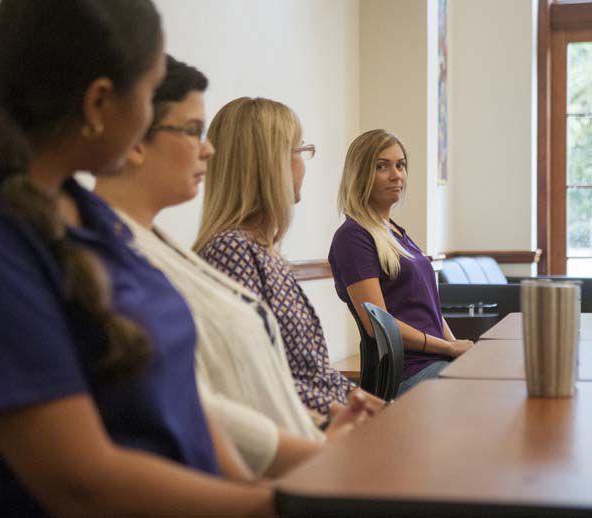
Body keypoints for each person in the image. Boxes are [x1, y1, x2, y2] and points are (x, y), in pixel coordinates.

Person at [0, 2, 274, 516]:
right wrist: (272, 507)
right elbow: (80, 482)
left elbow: (176, 396)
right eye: (152, 94)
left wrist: (250, 493)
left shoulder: (81, 208)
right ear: (99, 103)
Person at [95, 56, 384, 478]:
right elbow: (210, 402)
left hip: (303, 447)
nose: (207, 150)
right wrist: (320, 439)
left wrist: (336, 423)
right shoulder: (221, 250)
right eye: (193, 131)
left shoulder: (164, 245)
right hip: (290, 460)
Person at [193, 97, 363, 419]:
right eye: (300, 150)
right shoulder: (231, 251)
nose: (303, 164)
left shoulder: (264, 250)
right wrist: (344, 412)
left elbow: (311, 373)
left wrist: (359, 400)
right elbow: (258, 381)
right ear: (270, 163)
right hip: (306, 433)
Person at [328, 129, 473, 394]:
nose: (396, 175)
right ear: (360, 174)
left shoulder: (395, 233)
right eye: (382, 166)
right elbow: (379, 325)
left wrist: (456, 348)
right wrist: (449, 348)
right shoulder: (353, 237)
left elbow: (430, 310)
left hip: (436, 362)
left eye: (400, 165)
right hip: (407, 373)